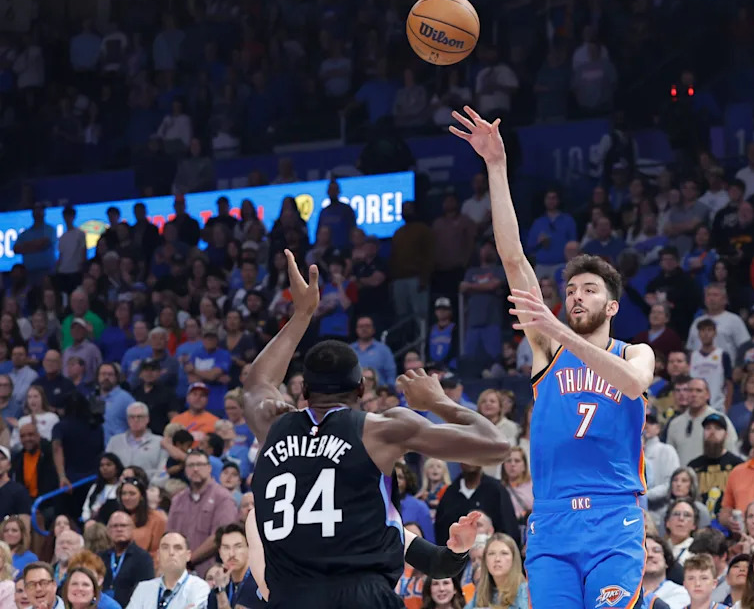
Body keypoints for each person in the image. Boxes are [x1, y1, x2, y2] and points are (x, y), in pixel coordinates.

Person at [452, 106, 657, 609]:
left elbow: (632, 385)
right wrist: (497, 169)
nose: (577, 296)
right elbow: (513, 258)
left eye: (589, 289)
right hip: (553, 522)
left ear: (611, 304)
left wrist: (559, 328)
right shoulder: (547, 346)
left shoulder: (635, 351)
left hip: (615, 519)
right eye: (571, 290)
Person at [242, 249, 510, 607]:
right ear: (361, 389)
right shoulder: (377, 430)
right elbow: (496, 445)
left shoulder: (273, 425)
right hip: (359, 594)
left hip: (290, 597)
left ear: (303, 389)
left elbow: (257, 382)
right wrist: (437, 402)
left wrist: (302, 314)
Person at [124, 532, 209, 609]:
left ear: (188, 555)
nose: (171, 552)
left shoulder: (199, 587)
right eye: (165, 548)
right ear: (158, 555)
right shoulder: (143, 588)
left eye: (178, 548)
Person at [98, 511, 154, 607]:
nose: (119, 529)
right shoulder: (99, 558)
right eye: (115, 526)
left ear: (132, 529)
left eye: (123, 526)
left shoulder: (143, 558)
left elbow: (146, 593)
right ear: (108, 531)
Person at [463, 534, 528, 609]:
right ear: (485, 560)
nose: (497, 559)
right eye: (491, 554)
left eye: (504, 553)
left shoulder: (524, 591)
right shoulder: (481, 592)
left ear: (513, 559)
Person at [642, 535, 691, 609]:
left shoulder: (682, 593)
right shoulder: (626, 593)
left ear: (666, 561)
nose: (650, 555)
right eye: (645, 551)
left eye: (656, 551)